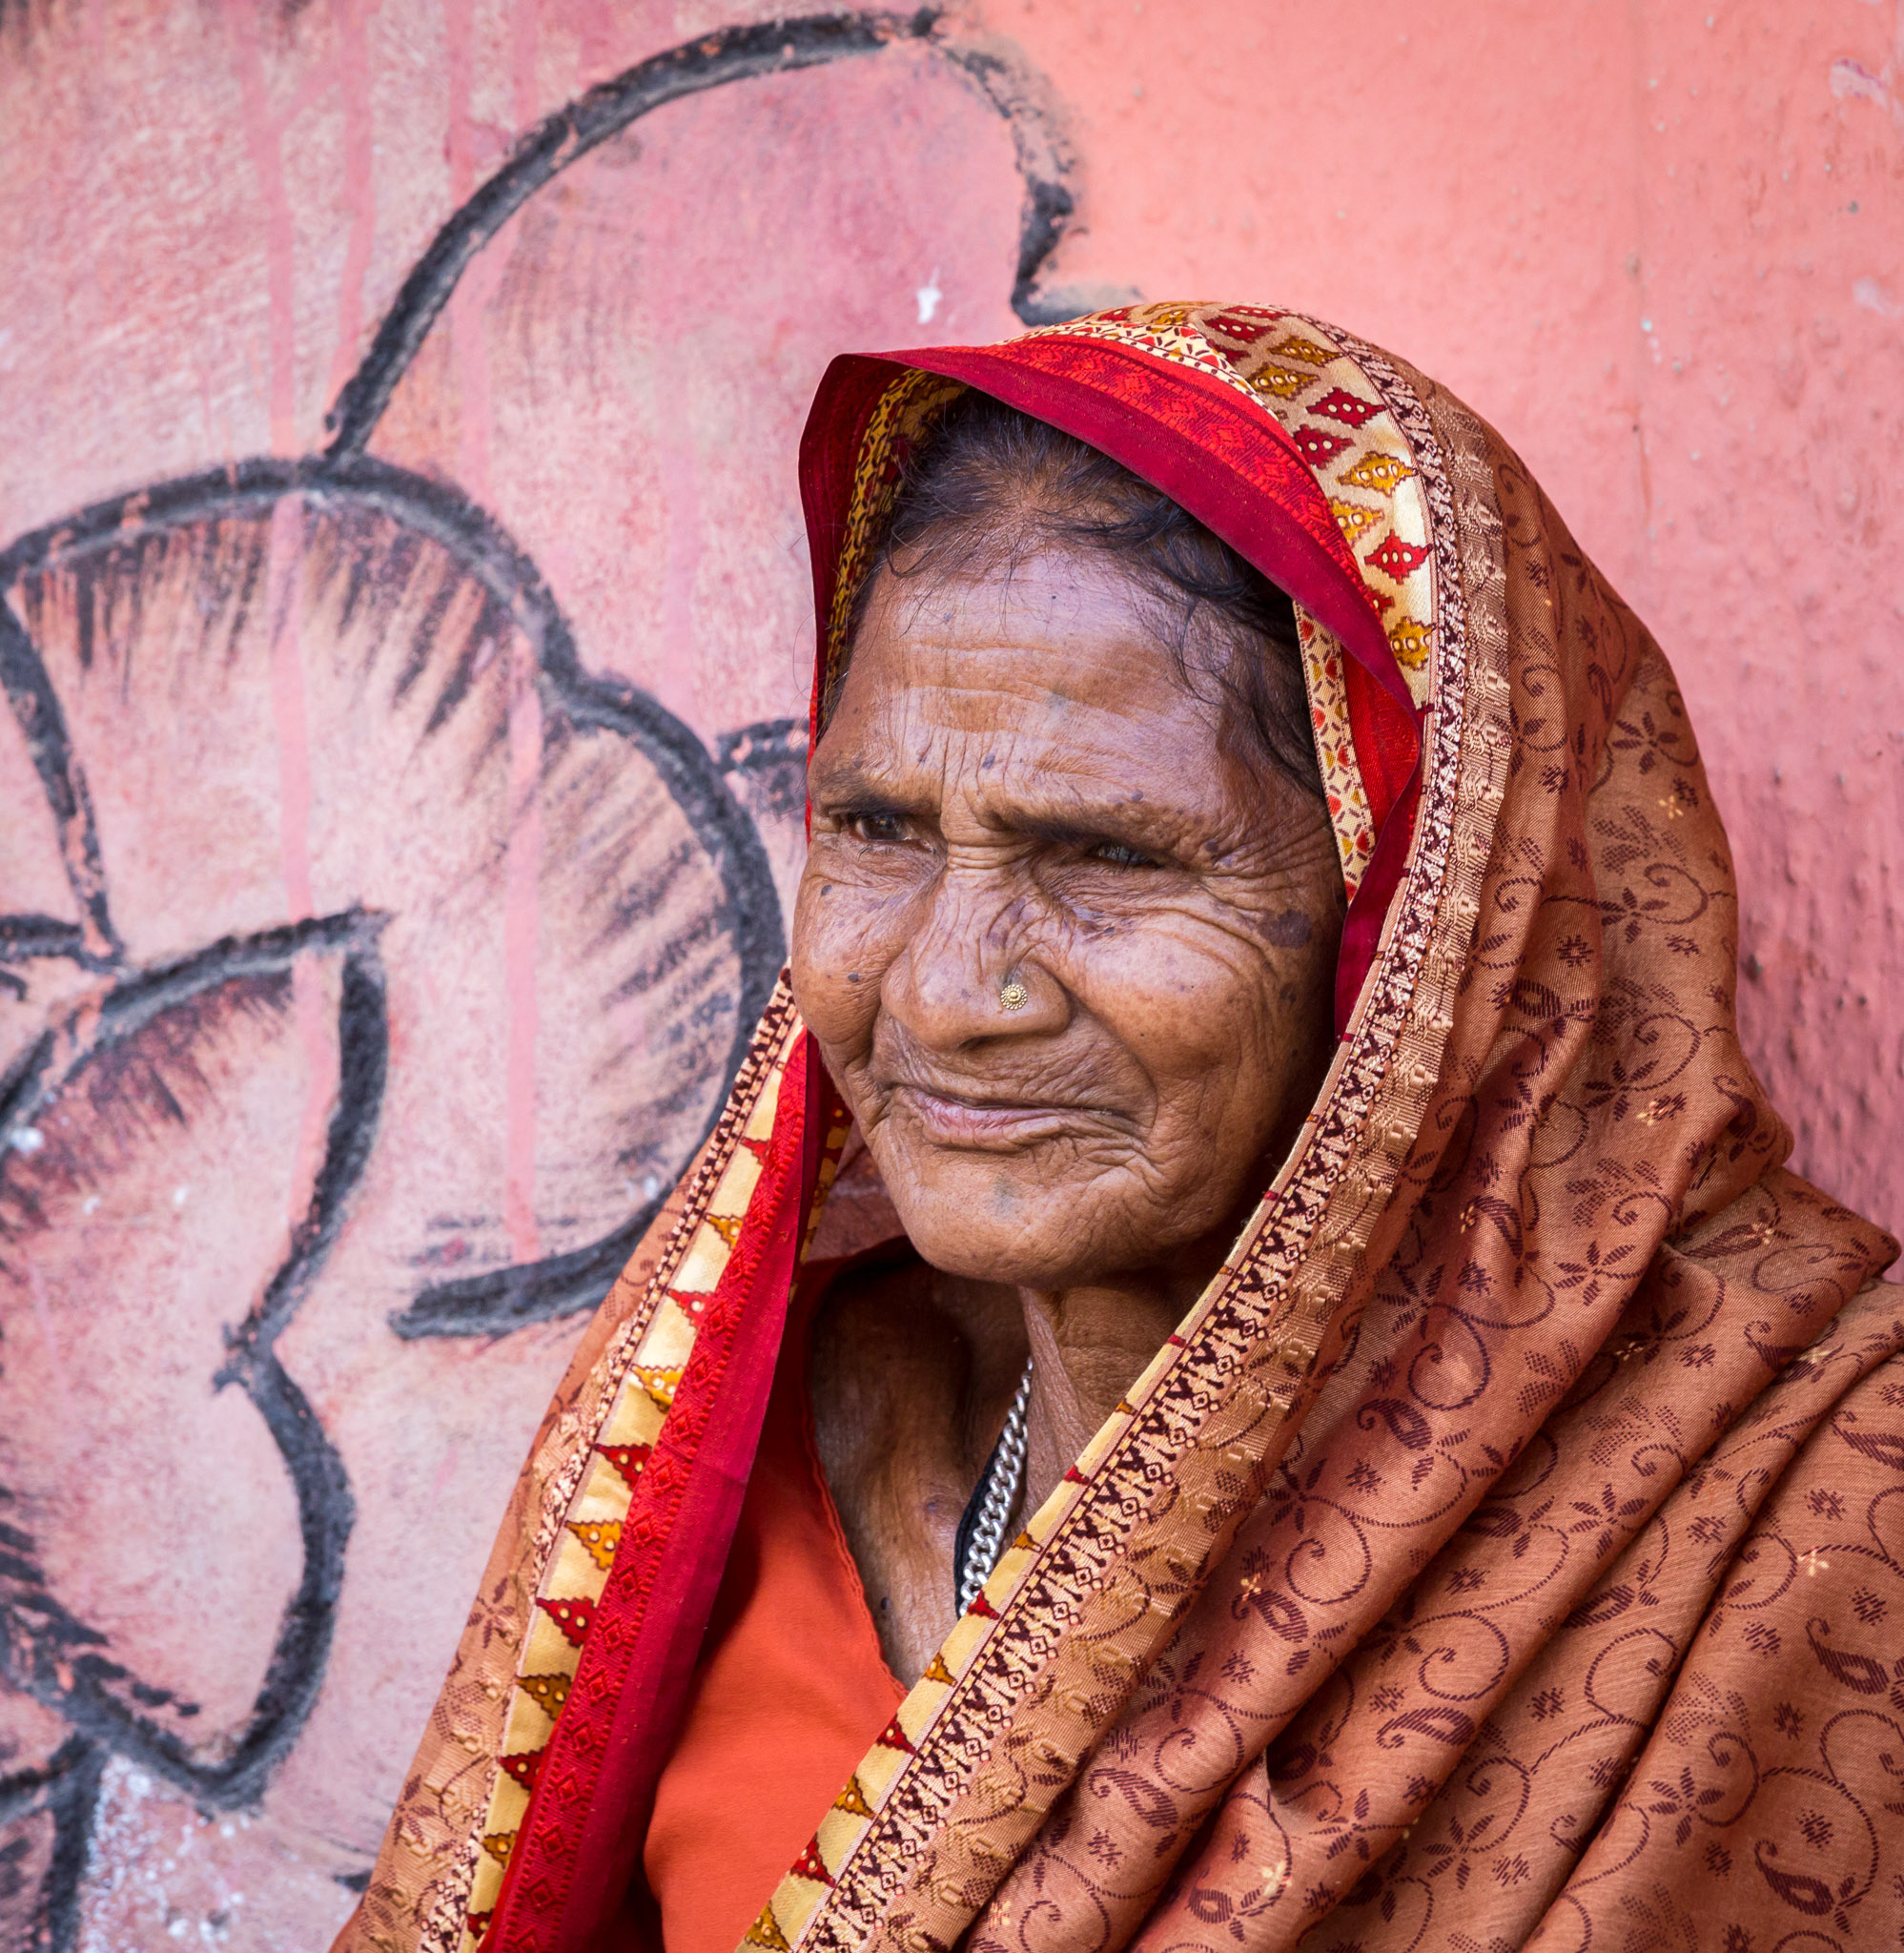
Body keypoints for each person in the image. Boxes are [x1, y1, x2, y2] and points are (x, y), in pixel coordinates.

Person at [333, 303, 1902, 1953]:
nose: (941, 994)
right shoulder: (740, 1447)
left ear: (1425, 928)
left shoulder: (1806, 1511)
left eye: (1106, 856)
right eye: (876, 828)